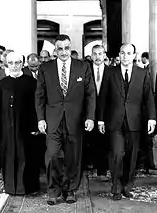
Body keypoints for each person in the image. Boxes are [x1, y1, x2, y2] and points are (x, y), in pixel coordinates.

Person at [36, 34, 96, 205]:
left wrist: (90, 117)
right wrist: (41, 119)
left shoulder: (83, 67)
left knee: (73, 157)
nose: (63, 52)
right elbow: (39, 96)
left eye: (66, 48)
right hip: (53, 120)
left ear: (71, 47)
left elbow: (90, 95)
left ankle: (70, 190)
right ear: (55, 50)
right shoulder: (45, 68)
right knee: (53, 156)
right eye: (60, 48)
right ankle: (53, 191)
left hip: (75, 121)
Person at [98, 43, 156, 201]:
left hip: (135, 121)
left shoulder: (143, 73)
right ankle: (116, 187)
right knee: (117, 153)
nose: (125, 56)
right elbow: (103, 96)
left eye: (128, 53)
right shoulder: (110, 72)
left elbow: (149, 97)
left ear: (134, 55)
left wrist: (152, 118)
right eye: (122, 53)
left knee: (131, 156)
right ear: (119, 54)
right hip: (114, 121)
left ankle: (127, 185)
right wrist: (101, 119)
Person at [0, 52, 39, 195]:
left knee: (26, 156)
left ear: (22, 64)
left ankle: (26, 187)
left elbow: (37, 105)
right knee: (8, 156)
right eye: (11, 63)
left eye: (17, 63)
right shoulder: (2, 83)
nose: (14, 66)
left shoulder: (31, 82)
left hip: (26, 127)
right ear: (7, 65)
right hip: (7, 128)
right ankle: (10, 187)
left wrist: (36, 125)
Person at [85, 45, 109, 180]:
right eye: (95, 54)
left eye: (100, 53)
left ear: (104, 55)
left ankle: (102, 170)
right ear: (91, 55)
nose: (98, 56)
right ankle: (88, 164)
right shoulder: (85, 70)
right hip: (88, 110)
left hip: (105, 112)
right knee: (88, 139)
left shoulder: (111, 71)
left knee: (103, 141)